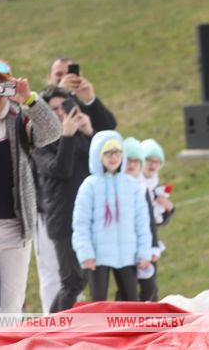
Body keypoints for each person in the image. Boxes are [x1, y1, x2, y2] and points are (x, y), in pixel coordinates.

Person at [0, 58, 61, 316]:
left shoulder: (21, 119)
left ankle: (6, 339)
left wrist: (29, 99)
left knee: (12, 306)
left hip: (15, 228)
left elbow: (52, 132)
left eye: (1, 87)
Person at [32, 86, 96, 313]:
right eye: (53, 109)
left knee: (83, 279)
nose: (60, 113)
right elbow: (61, 169)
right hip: (62, 219)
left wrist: (89, 134)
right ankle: (52, 326)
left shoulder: (79, 135)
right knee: (72, 281)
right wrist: (67, 137)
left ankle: (54, 325)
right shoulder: (40, 142)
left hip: (86, 218)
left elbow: (98, 167)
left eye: (63, 107)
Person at [72, 131, 152, 302]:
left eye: (117, 152)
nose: (113, 157)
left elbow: (142, 221)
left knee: (131, 301)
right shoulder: (89, 185)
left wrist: (144, 252)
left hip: (128, 255)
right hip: (98, 257)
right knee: (98, 301)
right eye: (108, 153)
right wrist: (86, 253)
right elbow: (81, 223)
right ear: (98, 155)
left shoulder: (132, 185)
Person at [122, 137, 160, 302]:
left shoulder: (143, 188)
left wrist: (153, 247)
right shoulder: (115, 187)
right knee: (126, 291)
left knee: (149, 287)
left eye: (136, 161)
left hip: (143, 246)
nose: (132, 165)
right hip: (124, 248)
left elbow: (150, 222)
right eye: (128, 160)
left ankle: (145, 316)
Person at [45, 58, 117, 132]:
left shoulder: (77, 103)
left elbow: (108, 127)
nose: (65, 78)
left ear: (79, 75)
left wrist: (90, 100)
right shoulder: (42, 100)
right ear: (49, 78)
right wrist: (59, 91)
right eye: (59, 74)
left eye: (69, 73)